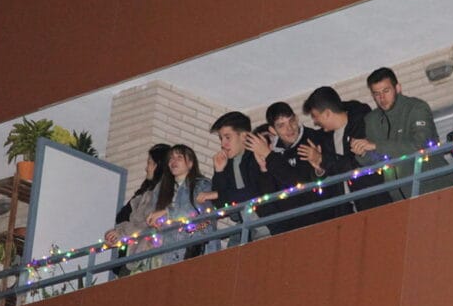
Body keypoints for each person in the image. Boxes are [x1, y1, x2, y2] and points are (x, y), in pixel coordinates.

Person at [355, 67, 449, 200]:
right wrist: (363, 153)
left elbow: (420, 145)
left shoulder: (416, 108)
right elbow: (376, 162)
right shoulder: (372, 120)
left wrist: (376, 146)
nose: (382, 98)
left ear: (398, 88)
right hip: (399, 198)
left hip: (434, 188)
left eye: (386, 91)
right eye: (376, 94)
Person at [248, 101, 337, 231]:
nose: (289, 128)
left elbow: (298, 184)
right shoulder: (274, 154)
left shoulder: (312, 139)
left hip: (322, 222)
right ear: (273, 130)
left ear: (296, 118)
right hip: (290, 230)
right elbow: (267, 199)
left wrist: (268, 155)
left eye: (291, 121)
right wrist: (264, 168)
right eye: (281, 125)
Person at [301, 86, 392, 213]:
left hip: (374, 202)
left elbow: (355, 164)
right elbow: (325, 173)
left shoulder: (362, 123)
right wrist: (319, 169)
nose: (315, 122)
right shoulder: (324, 138)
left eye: (315, 116)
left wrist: (322, 159)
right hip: (346, 208)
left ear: (327, 113)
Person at [208, 111, 277, 240]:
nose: (223, 144)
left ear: (244, 136)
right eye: (221, 139)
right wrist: (219, 172)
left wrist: (218, 195)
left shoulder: (258, 155)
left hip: (274, 225)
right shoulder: (227, 164)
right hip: (249, 229)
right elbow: (220, 205)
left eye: (228, 137)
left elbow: (256, 191)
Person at [144, 144, 214, 267]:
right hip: (166, 254)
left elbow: (196, 213)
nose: (173, 161)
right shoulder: (160, 189)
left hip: (194, 250)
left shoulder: (202, 185)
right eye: (171, 158)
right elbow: (152, 215)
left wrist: (167, 212)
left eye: (179, 157)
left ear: (190, 164)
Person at [106, 143, 171, 274]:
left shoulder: (165, 196)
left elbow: (145, 224)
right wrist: (116, 233)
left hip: (144, 261)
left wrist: (121, 233)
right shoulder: (144, 193)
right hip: (130, 258)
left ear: (159, 166)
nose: (146, 168)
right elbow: (123, 216)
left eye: (150, 163)